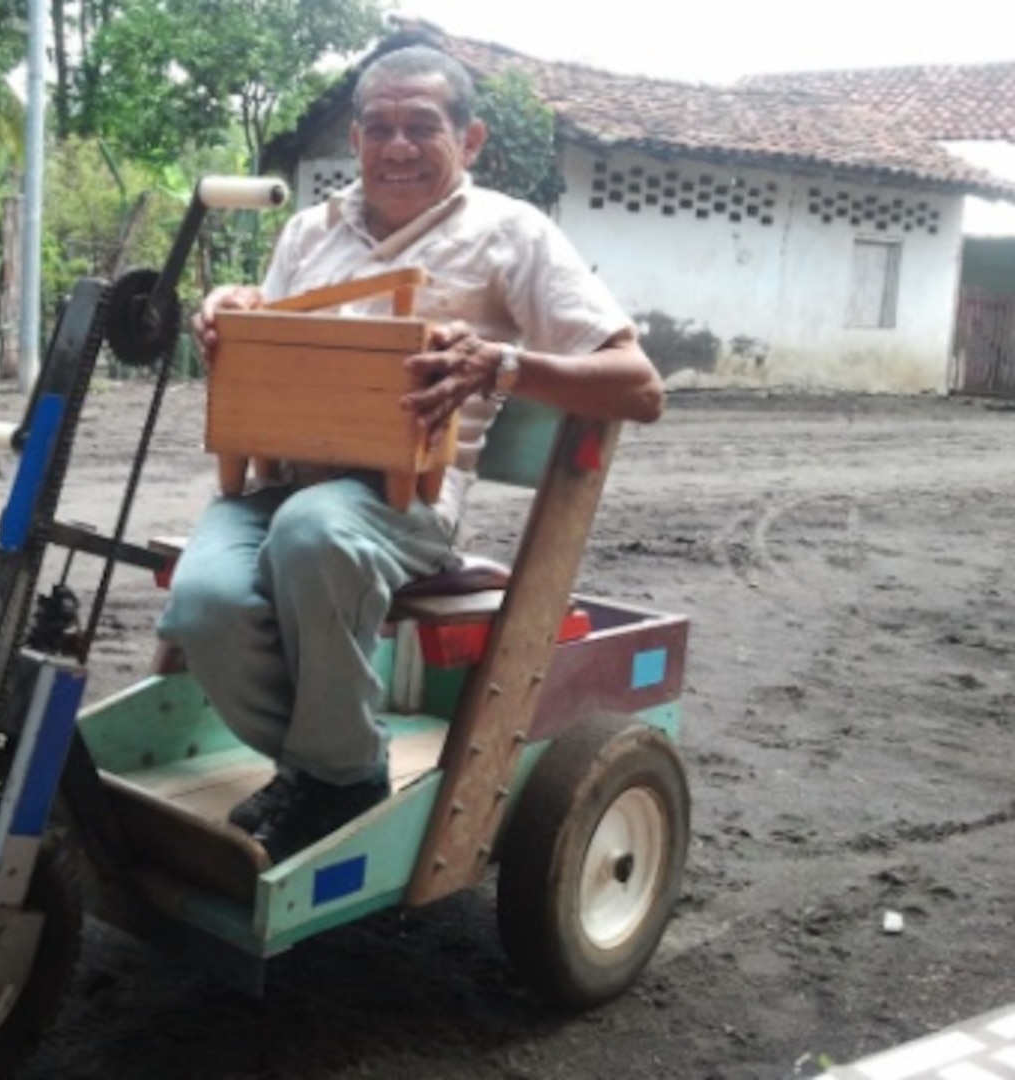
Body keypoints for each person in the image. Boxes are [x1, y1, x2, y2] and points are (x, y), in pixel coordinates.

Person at [157, 44, 665, 863]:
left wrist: (501, 365)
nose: (397, 147)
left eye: (421, 127)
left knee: (314, 537)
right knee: (203, 603)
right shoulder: (306, 233)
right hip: (278, 486)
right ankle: (337, 769)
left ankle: (321, 777)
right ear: (353, 141)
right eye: (379, 128)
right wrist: (231, 312)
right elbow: (270, 348)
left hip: (404, 503)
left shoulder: (511, 235)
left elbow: (639, 388)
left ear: (468, 141)